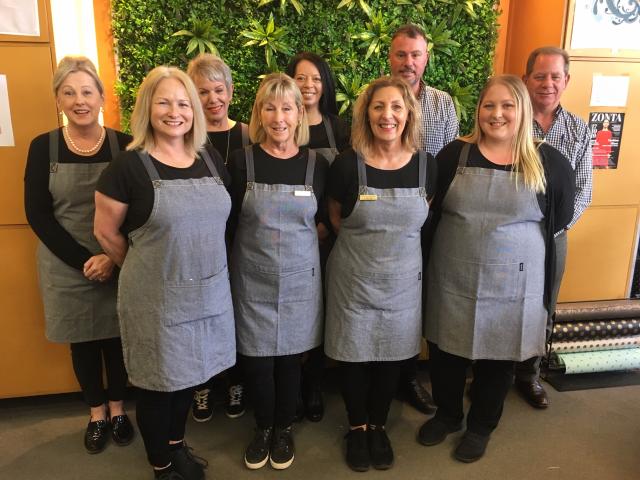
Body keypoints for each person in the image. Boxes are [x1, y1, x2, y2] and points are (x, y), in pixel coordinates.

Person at [420, 75, 575, 463]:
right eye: (489, 105)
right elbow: (431, 211)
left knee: (499, 359)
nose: (497, 114)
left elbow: (560, 217)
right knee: (446, 353)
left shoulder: (549, 162)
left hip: (515, 284)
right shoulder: (453, 155)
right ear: (478, 111)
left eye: (507, 105)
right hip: (453, 277)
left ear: (521, 110)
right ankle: (449, 414)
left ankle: (481, 426)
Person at [94, 66, 235, 480]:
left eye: (182, 103)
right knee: (160, 385)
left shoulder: (208, 158)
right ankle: (162, 468)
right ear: (146, 108)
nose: (175, 112)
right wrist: (145, 268)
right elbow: (105, 231)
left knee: (189, 379)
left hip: (208, 293)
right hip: (157, 300)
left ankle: (176, 448)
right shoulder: (129, 167)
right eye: (164, 102)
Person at [325, 76, 437, 472]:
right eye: (378, 107)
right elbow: (335, 218)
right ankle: (357, 427)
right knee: (354, 357)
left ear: (408, 113)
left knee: (392, 357)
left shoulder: (427, 165)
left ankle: (378, 425)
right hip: (353, 279)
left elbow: (422, 216)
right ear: (366, 114)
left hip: (404, 282)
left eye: (396, 107)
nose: (387, 115)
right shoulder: (346, 164)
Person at [24, 55, 134, 455]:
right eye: (69, 92)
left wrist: (111, 257)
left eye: (87, 91)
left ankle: (120, 409)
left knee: (118, 338)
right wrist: (84, 261)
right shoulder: (43, 147)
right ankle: (96, 413)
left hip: (118, 258)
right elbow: (37, 213)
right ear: (58, 99)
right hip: (65, 262)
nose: (79, 100)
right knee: (83, 342)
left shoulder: (124, 144)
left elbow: (139, 208)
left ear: (102, 97)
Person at [228, 73, 327, 471]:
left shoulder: (316, 164)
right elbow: (229, 220)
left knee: (289, 359)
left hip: (300, 280)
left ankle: (284, 428)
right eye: (270, 107)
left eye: (287, 107)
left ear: (299, 113)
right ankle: (262, 428)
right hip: (252, 278)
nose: (278, 117)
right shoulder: (241, 161)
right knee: (257, 360)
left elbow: (326, 222)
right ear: (259, 113)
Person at [515, 46, 593, 409]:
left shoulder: (579, 129)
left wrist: (555, 229)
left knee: (544, 303)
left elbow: (584, 190)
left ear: (566, 81)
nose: (547, 84)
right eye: (539, 76)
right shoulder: (510, 118)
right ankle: (493, 372)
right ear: (527, 79)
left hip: (555, 235)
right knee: (505, 298)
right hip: (511, 232)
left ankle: (529, 375)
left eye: (555, 77)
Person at [388, 22, 458, 415]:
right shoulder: (374, 97)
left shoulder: (444, 104)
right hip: (382, 216)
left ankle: (409, 376)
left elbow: (447, 167)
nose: (408, 62)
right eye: (401, 54)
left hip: (427, 217)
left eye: (416, 55)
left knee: (418, 296)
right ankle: (380, 372)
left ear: (426, 59)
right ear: (390, 57)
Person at [286, 51, 351, 423]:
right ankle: (292, 385)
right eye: (300, 78)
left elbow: (344, 184)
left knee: (321, 311)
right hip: (286, 240)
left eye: (315, 79)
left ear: (324, 85)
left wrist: (325, 224)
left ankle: (314, 385)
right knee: (294, 311)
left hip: (327, 238)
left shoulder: (338, 129)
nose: (308, 86)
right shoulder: (280, 123)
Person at [186, 53, 248, 423]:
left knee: (237, 316)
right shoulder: (184, 137)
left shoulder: (248, 134)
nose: (212, 99)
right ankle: (202, 387)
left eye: (218, 90)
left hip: (242, 241)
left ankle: (236, 382)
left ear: (230, 91)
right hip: (201, 245)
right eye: (202, 91)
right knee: (200, 318)